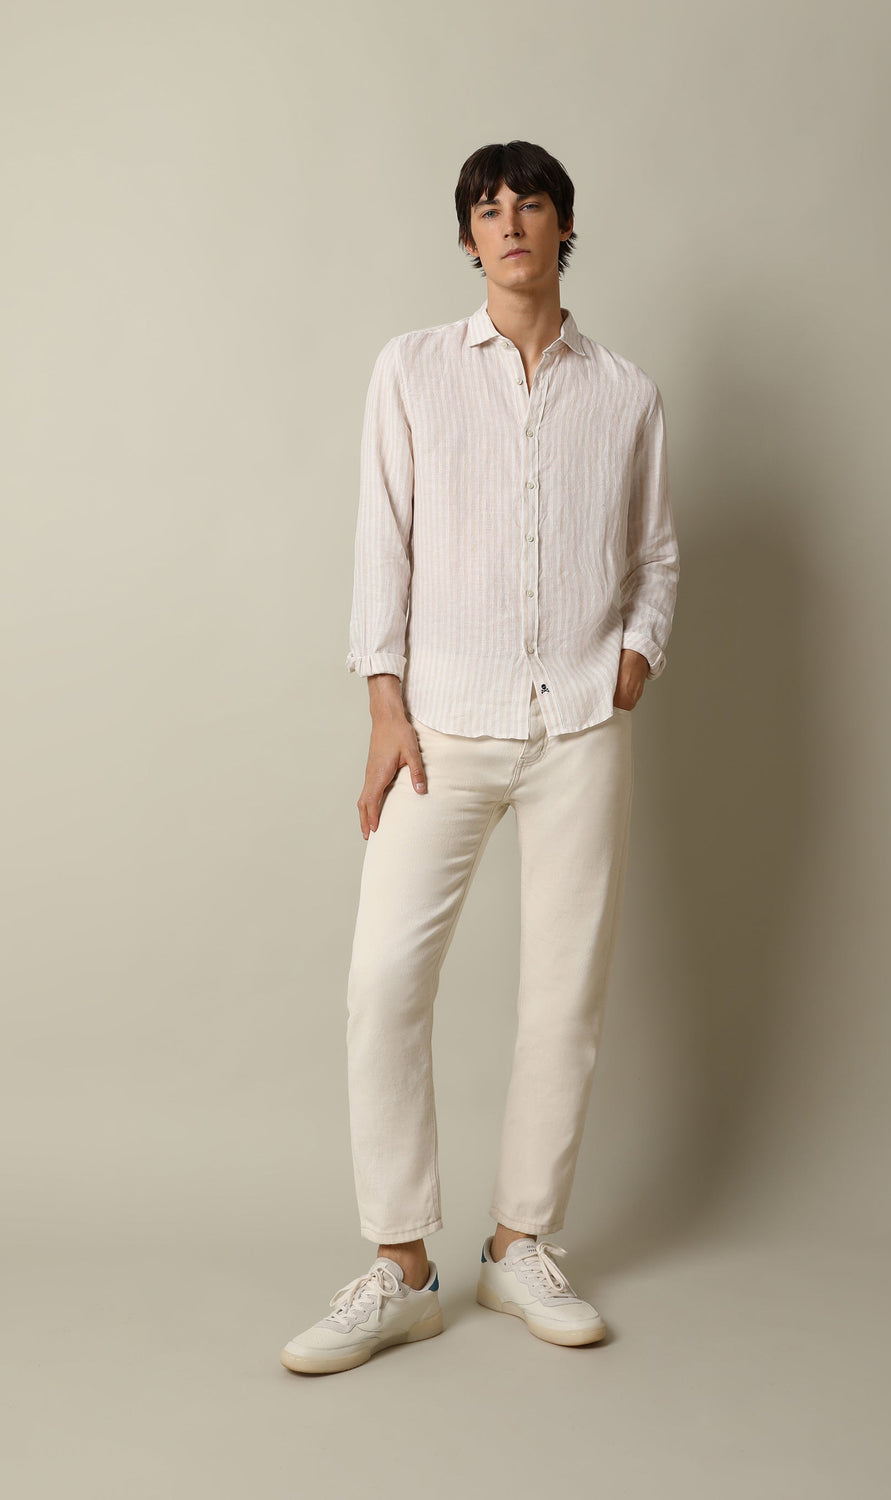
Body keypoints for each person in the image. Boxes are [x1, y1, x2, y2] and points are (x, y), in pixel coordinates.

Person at [281, 140, 679, 1375]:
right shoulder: (409, 370)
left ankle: (520, 1247)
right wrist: (383, 705)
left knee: (564, 995)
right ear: (468, 239)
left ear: (564, 228)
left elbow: (655, 552)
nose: (509, 223)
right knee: (382, 981)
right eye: (487, 209)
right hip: (442, 726)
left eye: (530, 204)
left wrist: (637, 654)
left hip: (579, 729)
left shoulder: (626, 393)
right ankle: (402, 1269)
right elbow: (382, 542)